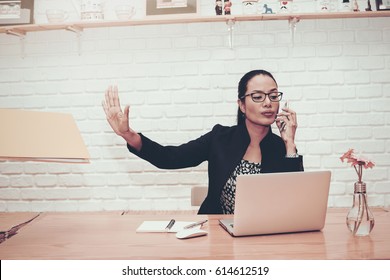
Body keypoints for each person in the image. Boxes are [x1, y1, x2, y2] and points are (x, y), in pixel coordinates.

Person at [102, 69, 304, 214]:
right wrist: (128, 134)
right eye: (258, 96)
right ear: (241, 105)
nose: (268, 103)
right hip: (218, 234)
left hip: (265, 238)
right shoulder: (220, 138)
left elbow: (295, 203)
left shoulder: (282, 148)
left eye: (273, 95)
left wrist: (290, 144)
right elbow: (170, 158)